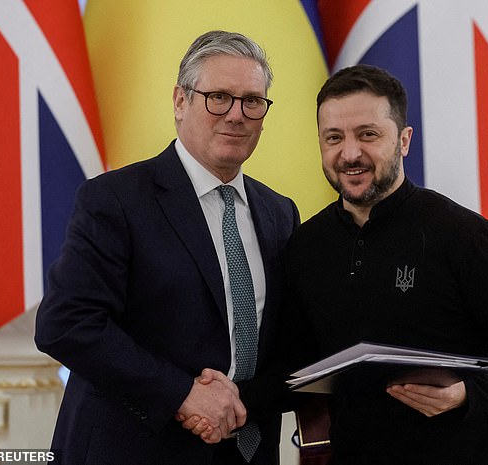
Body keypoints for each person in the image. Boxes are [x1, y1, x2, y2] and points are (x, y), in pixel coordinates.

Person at [35, 30, 299, 465]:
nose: (236, 114)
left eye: (252, 100)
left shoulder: (279, 213)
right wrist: (184, 395)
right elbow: (65, 323)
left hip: (247, 451)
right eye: (218, 97)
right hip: (131, 449)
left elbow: (285, 342)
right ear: (180, 101)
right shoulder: (115, 200)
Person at [280, 64, 488, 464]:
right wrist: (217, 398)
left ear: (404, 140)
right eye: (333, 137)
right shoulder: (305, 245)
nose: (350, 153)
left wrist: (466, 391)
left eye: (368, 134)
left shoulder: (465, 234)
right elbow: (293, 364)